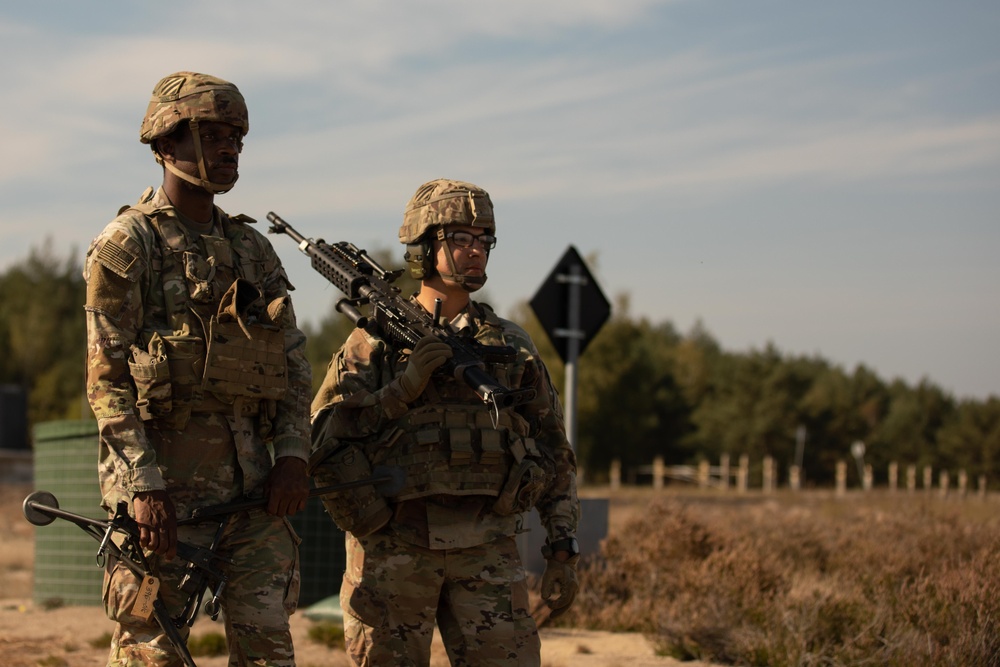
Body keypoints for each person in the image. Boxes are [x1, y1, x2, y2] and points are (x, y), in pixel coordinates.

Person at [83, 71, 312, 666]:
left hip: (252, 500)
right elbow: (106, 382)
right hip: (161, 506)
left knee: (269, 653)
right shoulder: (130, 243)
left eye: (236, 137)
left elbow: (291, 362)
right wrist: (143, 486)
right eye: (212, 135)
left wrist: (292, 454)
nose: (230, 148)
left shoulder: (253, 251)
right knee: (149, 653)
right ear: (166, 144)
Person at [309, 178, 581, 666]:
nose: (476, 252)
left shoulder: (511, 345)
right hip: (394, 548)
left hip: (488, 550)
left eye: (483, 241)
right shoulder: (372, 343)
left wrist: (562, 546)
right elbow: (324, 438)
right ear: (424, 246)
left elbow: (553, 449)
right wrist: (401, 390)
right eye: (460, 239)